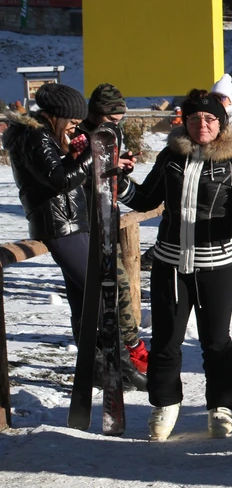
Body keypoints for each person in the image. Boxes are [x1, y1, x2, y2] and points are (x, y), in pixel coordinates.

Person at [118, 89, 232, 441]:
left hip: (216, 263)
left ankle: (221, 405)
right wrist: (119, 183)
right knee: (166, 339)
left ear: (221, 123)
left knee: (216, 341)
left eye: (210, 119)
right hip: (170, 263)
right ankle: (165, 403)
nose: (203, 125)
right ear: (185, 121)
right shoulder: (171, 156)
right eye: (196, 118)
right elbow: (146, 197)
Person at [3, 83, 91, 346]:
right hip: (58, 225)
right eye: (73, 122)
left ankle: (97, 364)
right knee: (96, 296)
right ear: (58, 117)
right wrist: (89, 156)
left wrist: (75, 156)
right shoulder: (35, 136)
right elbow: (58, 180)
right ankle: (110, 360)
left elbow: (55, 174)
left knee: (84, 298)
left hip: (69, 222)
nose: (75, 128)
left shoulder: (44, 136)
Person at [78, 83, 148, 391]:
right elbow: (75, 175)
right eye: (112, 117)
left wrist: (123, 169)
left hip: (109, 214)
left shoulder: (112, 132)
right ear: (98, 113)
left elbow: (113, 173)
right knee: (103, 292)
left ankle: (119, 358)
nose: (117, 123)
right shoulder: (78, 134)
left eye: (120, 118)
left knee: (114, 291)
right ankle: (114, 358)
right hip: (84, 220)